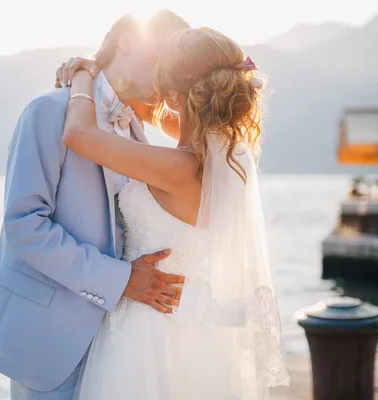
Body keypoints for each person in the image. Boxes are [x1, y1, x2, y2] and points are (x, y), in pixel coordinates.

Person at [0, 11, 190, 400]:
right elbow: (24, 226)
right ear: (127, 41)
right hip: (48, 339)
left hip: (122, 342)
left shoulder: (141, 133)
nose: (166, 75)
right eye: (163, 57)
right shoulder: (48, 111)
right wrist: (121, 280)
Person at [58, 26, 290, 399]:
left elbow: (78, 135)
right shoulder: (229, 158)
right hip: (189, 328)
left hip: (147, 333)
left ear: (175, 97)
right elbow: (160, 118)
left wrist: (84, 73)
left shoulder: (179, 168)